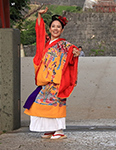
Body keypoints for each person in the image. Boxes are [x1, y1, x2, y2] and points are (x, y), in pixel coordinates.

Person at [24, 7, 80, 140]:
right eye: (53, 26)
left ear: (62, 30)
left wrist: (75, 53)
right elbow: (39, 33)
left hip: (57, 81)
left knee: (56, 106)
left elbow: (73, 51)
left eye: (58, 27)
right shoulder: (46, 43)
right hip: (46, 81)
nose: (55, 29)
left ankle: (59, 130)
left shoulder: (65, 45)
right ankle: (49, 129)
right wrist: (39, 16)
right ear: (49, 29)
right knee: (38, 105)